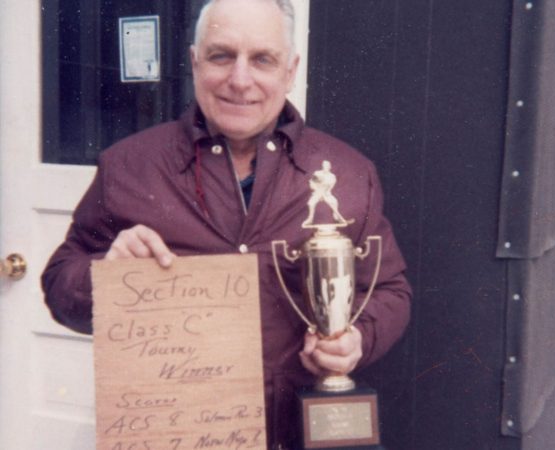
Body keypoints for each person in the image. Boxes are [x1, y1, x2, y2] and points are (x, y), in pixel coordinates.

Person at [41, 0, 412, 447]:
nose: (240, 80)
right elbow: (60, 286)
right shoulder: (129, 166)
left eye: (262, 59)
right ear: (195, 62)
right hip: (170, 431)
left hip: (295, 433)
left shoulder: (349, 174)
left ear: (290, 70)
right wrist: (104, 277)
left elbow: (389, 289)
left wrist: (358, 338)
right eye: (221, 56)